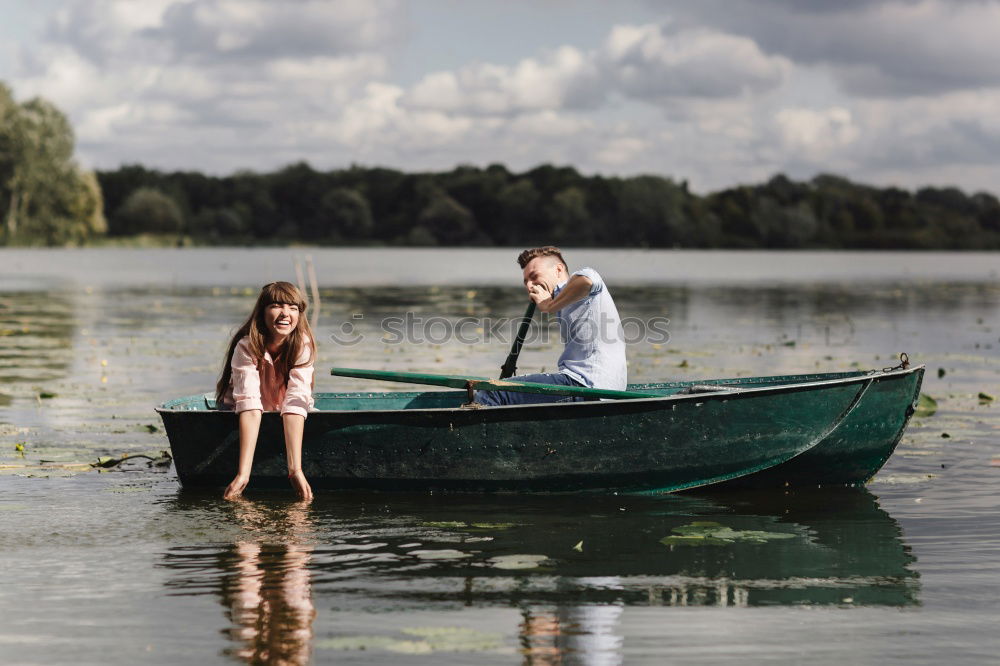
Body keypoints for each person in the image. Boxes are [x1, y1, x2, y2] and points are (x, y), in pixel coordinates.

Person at [476, 246, 626, 406]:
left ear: (558, 269)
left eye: (534, 276)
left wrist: (549, 304)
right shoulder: (565, 302)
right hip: (593, 385)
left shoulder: (583, 280)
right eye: (526, 282)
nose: (530, 286)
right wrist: (552, 303)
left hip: (588, 385)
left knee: (491, 392)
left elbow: (587, 280)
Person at [215, 281, 316, 500]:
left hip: (282, 410)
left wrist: (295, 470)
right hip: (241, 413)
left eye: (293, 308)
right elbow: (250, 405)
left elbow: (296, 403)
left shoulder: (302, 346)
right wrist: (243, 474)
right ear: (262, 312)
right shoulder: (246, 346)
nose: (285, 314)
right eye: (276, 306)